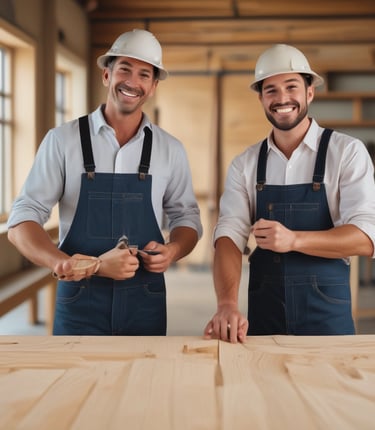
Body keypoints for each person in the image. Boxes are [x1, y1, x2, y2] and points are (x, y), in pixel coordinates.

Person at [7, 29, 202, 336]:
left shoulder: (170, 149)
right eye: (124, 69)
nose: (132, 82)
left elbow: (187, 216)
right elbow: (21, 221)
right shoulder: (62, 141)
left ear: (152, 87)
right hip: (79, 303)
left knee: (143, 382)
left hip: (144, 303)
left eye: (144, 74)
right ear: (107, 75)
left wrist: (174, 250)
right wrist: (68, 265)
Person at [204, 44, 375, 343]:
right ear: (260, 98)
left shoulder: (346, 152)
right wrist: (227, 305)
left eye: (291, 86)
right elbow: (228, 236)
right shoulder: (245, 164)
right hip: (264, 314)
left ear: (309, 92)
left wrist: (294, 240)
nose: (282, 98)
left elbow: (365, 237)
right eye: (270, 90)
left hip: (327, 317)